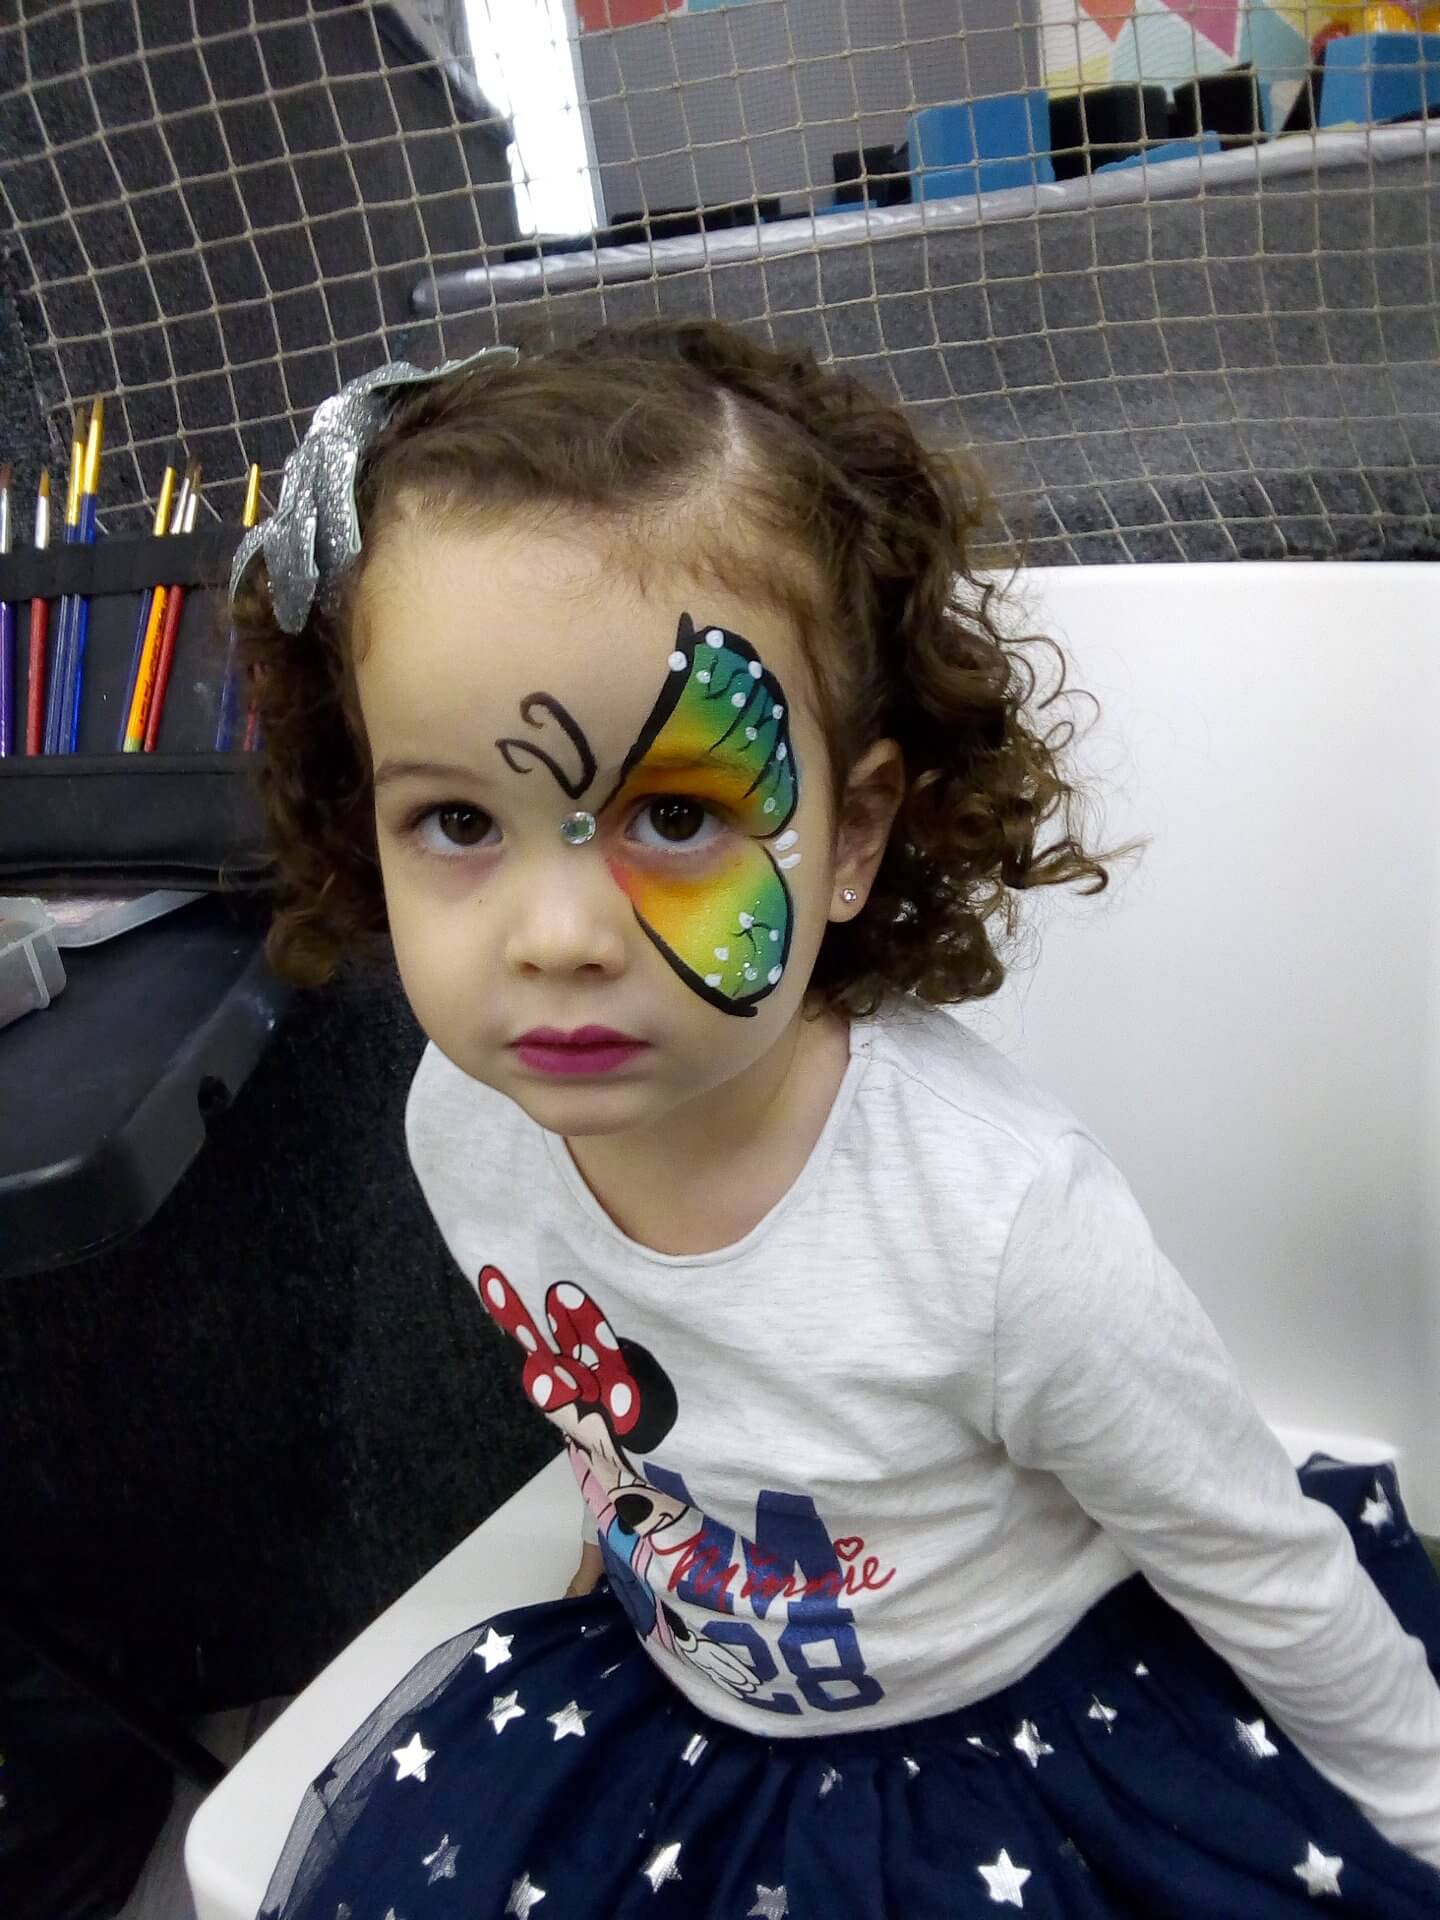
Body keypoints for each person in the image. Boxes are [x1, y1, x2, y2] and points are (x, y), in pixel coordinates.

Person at [231, 318, 1440, 1919]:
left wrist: (1423, 1816)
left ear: (853, 836)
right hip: (673, 1707)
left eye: (677, 814)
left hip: (1005, 1751)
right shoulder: (461, 1119)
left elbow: (1255, 1563)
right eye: (456, 819)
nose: (555, 936)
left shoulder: (1003, 1229)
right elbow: (619, 1397)